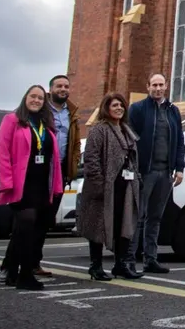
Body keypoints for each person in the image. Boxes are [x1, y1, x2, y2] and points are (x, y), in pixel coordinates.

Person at [0, 84, 63, 291]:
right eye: (33, 96)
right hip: (21, 183)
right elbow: (3, 152)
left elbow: (54, 159)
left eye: (40, 98)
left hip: (42, 184)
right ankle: (25, 275)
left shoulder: (45, 123)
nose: (36, 100)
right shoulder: (12, 120)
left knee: (24, 229)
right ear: (26, 98)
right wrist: (7, 182)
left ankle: (10, 271)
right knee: (26, 224)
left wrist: (57, 185)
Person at [126, 73, 185, 275]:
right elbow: (129, 140)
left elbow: (179, 141)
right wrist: (134, 169)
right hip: (145, 172)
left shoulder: (173, 111)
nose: (158, 88)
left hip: (165, 172)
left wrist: (180, 168)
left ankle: (151, 259)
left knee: (155, 218)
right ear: (147, 86)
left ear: (166, 86)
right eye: (154, 85)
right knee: (138, 217)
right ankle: (129, 260)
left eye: (161, 85)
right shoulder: (138, 109)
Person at [80, 92, 141, 281]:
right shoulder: (99, 130)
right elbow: (91, 158)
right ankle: (95, 266)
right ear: (106, 108)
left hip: (125, 185)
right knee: (99, 226)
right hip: (105, 187)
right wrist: (98, 184)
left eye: (121, 105)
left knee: (124, 224)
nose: (119, 108)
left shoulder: (125, 129)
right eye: (115, 105)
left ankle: (120, 265)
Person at [35, 74, 80, 277]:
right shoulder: (41, 109)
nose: (63, 89)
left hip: (60, 172)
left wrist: (72, 165)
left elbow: (75, 143)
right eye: (59, 86)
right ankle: (15, 262)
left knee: (46, 219)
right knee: (30, 219)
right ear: (51, 89)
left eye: (66, 86)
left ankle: (34, 262)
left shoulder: (72, 112)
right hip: (40, 169)